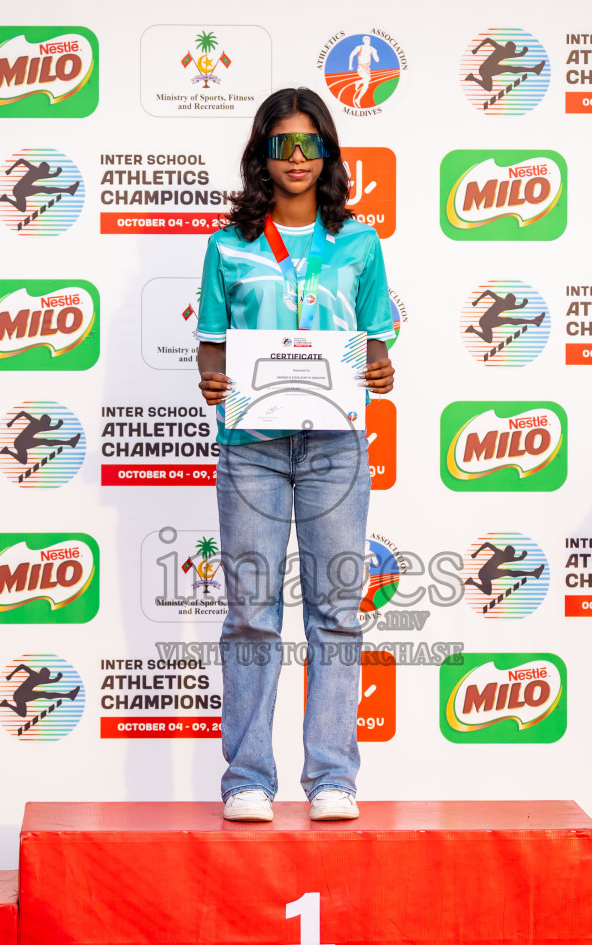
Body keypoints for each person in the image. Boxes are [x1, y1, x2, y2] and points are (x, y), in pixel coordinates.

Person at [194, 87, 395, 823]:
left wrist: (381, 369)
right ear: (262, 156)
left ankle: (332, 776)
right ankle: (248, 777)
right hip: (252, 449)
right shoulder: (227, 245)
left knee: (337, 611)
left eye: (311, 144)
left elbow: (376, 338)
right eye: (284, 145)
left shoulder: (360, 243)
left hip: (335, 446)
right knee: (251, 612)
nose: (299, 158)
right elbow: (211, 346)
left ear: (329, 153)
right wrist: (213, 379)